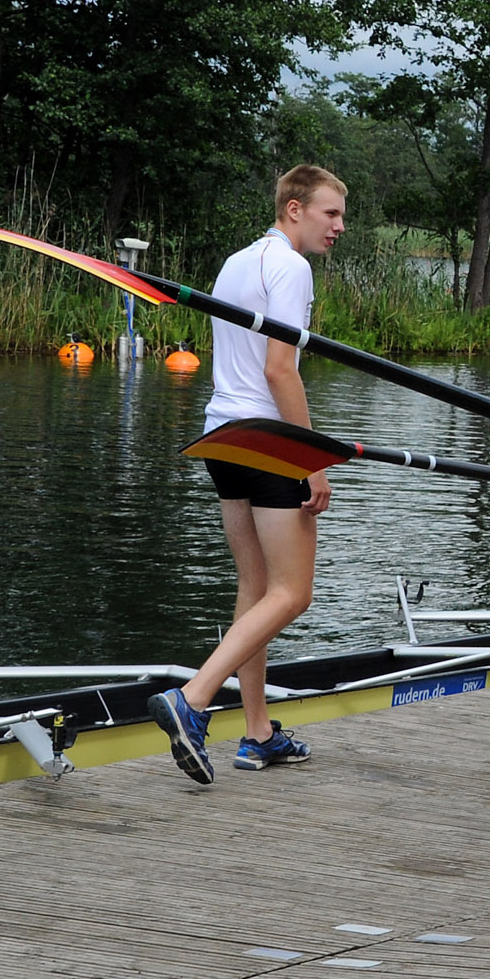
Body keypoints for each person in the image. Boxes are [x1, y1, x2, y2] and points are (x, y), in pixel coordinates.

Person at [148, 166, 348, 785]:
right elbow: (280, 370)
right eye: (329, 214)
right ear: (294, 208)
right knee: (294, 593)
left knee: (257, 590)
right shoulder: (292, 267)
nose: (339, 227)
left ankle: (257, 732)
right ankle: (195, 697)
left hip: (222, 434)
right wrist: (312, 459)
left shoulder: (238, 261)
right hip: (266, 439)